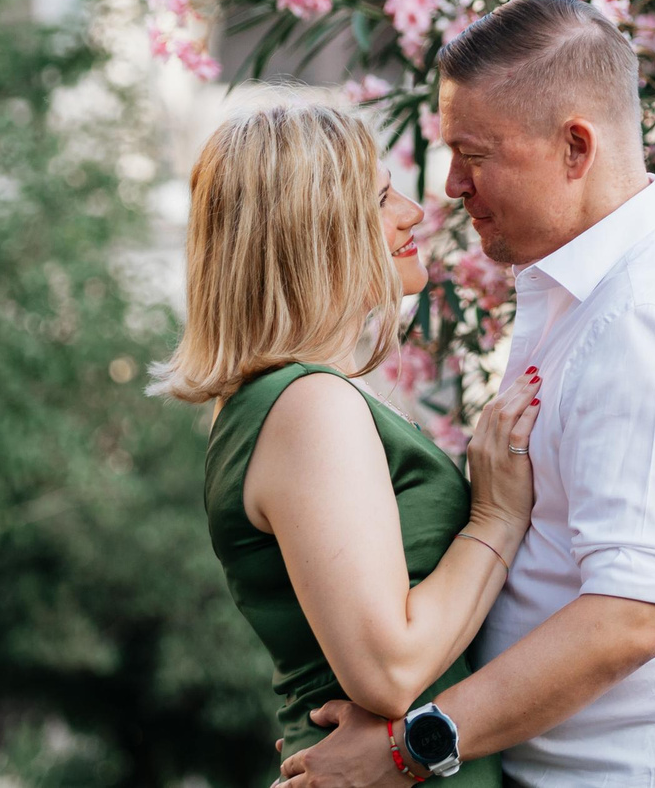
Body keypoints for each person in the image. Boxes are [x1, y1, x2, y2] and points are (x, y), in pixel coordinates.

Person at [281, 0, 655, 787]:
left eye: (474, 153)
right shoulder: (578, 294)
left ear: (576, 147)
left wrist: (407, 749)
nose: (450, 185)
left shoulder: (649, 318)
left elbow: (628, 618)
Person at [161, 102, 544, 786]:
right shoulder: (307, 405)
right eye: (379, 197)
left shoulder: (279, 402)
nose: (412, 212)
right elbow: (390, 669)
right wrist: (497, 518)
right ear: (313, 231)